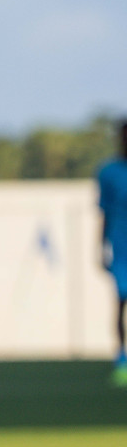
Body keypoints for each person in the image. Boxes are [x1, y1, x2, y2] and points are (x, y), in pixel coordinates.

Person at [98, 120, 127, 386]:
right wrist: (100, 247)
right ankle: (121, 359)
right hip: (121, 249)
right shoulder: (108, 172)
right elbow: (103, 213)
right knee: (120, 303)